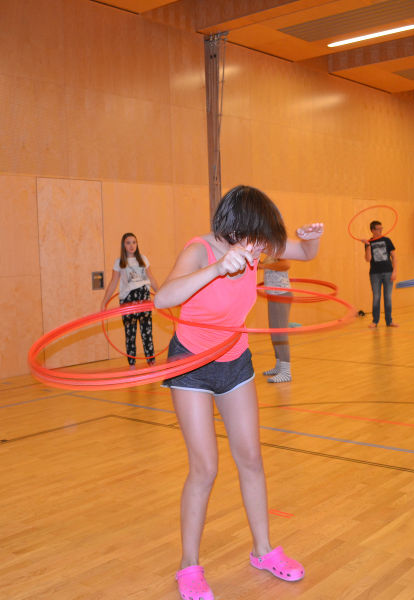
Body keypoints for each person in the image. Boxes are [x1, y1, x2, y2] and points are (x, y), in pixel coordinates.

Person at [154, 185, 322, 600]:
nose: (264, 250)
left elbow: (305, 253)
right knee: (205, 467)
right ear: (234, 229)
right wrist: (216, 269)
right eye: (258, 240)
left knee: (251, 457)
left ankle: (263, 550)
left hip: (236, 361)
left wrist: (312, 236)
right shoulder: (200, 251)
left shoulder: (255, 249)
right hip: (191, 364)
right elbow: (163, 298)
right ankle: (188, 566)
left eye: (267, 242)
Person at [100, 233, 160, 368]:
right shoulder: (119, 262)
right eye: (128, 243)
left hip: (143, 297)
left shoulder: (143, 259)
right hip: (128, 299)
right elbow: (113, 283)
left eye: (134, 242)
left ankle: (151, 362)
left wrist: (161, 295)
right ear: (123, 245)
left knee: (147, 332)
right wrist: (104, 302)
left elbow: (152, 278)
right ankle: (132, 365)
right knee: (130, 333)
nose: (131, 245)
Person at [259, 256, 293, 383]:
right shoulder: (270, 254)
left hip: (281, 295)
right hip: (273, 295)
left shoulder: (279, 250)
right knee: (274, 333)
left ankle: (286, 372)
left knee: (280, 334)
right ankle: (279, 366)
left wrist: (264, 266)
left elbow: (286, 265)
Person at [362, 220, 397, 328]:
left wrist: (394, 271)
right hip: (375, 274)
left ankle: (389, 321)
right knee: (376, 297)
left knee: (388, 297)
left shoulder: (387, 240)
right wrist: (367, 246)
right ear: (372, 230)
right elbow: (368, 259)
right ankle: (375, 321)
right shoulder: (369, 242)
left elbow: (394, 256)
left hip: (388, 272)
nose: (381, 230)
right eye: (378, 229)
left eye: (382, 228)